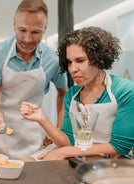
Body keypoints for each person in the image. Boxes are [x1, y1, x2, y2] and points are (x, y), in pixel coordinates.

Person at [20, 26, 134, 160]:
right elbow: (67, 142)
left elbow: (120, 147)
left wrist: (65, 152)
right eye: (69, 62)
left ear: (98, 59)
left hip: (107, 160)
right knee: (24, 163)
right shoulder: (72, 95)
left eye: (80, 61)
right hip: (74, 154)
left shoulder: (125, 90)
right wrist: (42, 119)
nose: (73, 69)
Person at [0, 0, 68, 160]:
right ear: (14, 24)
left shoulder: (54, 60)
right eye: (22, 30)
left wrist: (59, 130)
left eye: (35, 32)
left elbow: (63, 94)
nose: (27, 39)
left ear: (45, 30)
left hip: (33, 141)